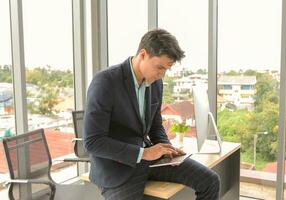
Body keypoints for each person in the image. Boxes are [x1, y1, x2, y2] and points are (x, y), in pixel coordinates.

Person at [84, 28, 221, 200]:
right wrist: (143, 154)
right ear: (143, 55)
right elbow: (93, 142)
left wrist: (166, 148)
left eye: (167, 69)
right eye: (159, 67)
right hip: (117, 167)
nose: (162, 74)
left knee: (210, 181)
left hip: (149, 158)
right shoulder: (105, 82)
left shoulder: (156, 83)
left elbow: (155, 125)